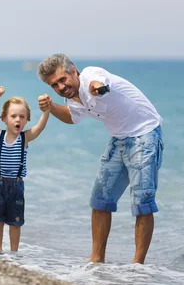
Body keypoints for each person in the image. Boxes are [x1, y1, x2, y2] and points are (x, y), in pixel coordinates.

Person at [37, 53, 163, 264]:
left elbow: (100, 83)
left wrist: (97, 88)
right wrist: (51, 108)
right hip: (119, 139)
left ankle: (138, 267)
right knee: (100, 200)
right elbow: (72, 117)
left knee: (142, 202)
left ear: (73, 71)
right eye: (54, 85)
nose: (60, 87)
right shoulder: (71, 97)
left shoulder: (91, 76)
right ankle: (96, 261)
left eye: (62, 80)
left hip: (145, 134)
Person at [0, 88, 50, 253]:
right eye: (13, 116)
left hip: (17, 186)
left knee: (15, 222)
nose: (17, 119)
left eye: (22, 116)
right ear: (4, 118)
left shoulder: (25, 138)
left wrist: (47, 111)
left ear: (27, 120)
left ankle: (14, 253)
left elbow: (40, 127)